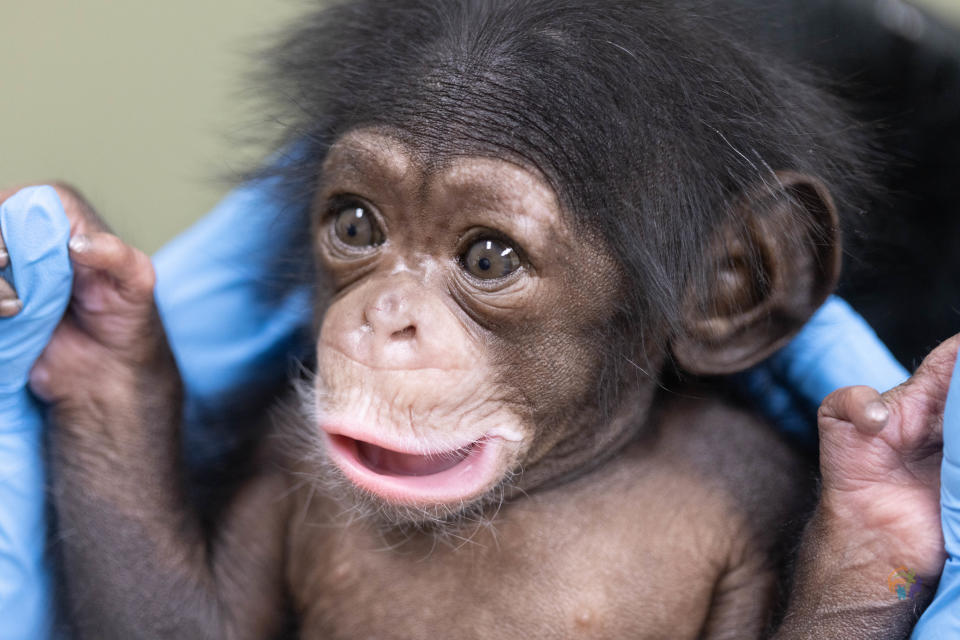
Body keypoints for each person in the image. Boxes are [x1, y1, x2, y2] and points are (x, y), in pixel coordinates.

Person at [0, 182, 956, 638]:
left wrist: (859, 568)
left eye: (489, 257)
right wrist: (115, 390)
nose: (380, 322)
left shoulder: (723, 482)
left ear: (719, 287)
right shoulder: (307, 462)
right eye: (359, 226)